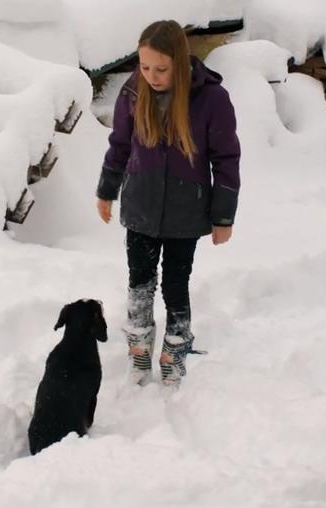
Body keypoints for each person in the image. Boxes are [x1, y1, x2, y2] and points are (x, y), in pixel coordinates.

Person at [96, 20, 241, 386]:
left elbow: (225, 159)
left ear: (179, 61)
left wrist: (223, 216)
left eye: (161, 69)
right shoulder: (133, 91)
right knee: (139, 283)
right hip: (141, 205)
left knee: (176, 284)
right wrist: (106, 190)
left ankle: (174, 352)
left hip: (185, 211)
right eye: (145, 67)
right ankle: (139, 350)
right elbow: (119, 145)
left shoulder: (211, 99)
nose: (152, 76)